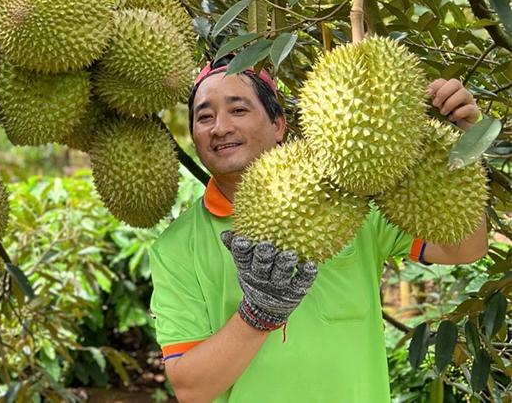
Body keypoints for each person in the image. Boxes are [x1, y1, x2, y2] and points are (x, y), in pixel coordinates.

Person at [148, 55, 489, 403]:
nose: (220, 127)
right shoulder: (176, 248)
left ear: (278, 124)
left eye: (238, 110)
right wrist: (257, 316)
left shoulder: (355, 194)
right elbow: (191, 389)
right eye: (204, 117)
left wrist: (467, 144)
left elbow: (465, 247)